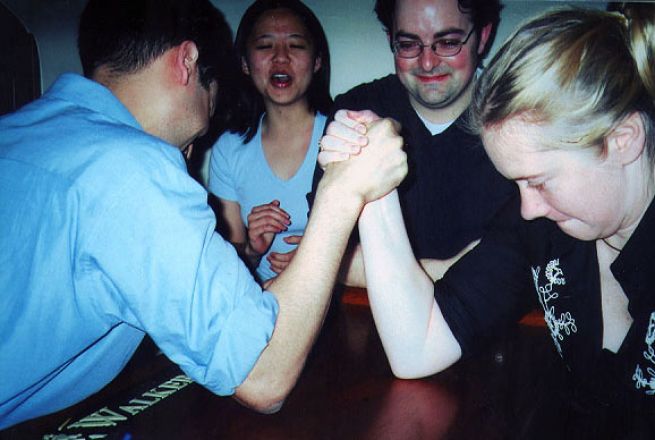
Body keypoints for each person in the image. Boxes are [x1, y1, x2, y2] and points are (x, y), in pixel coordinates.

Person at [0, 0, 408, 429]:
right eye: (211, 93)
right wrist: (342, 191)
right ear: (188, 61)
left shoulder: (15, 128)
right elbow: (263, 375)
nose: (201, 135)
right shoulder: (134, 168)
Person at [323, 3, 655, 436]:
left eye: (538, 181)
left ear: (623, 140)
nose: (526, 208)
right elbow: (416, 348)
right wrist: (373, 187)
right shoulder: (542, 228)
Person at [313, 0, 515, 286]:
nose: (428, 63)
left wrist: (371, 267)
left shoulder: (518, 118)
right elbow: (326, 252)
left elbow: (517, 267)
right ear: (390, 41)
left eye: (447, 42)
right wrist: (444, 269)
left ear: (482, 37)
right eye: (408, 44)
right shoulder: (356, 110)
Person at [208, 0, 331, 284]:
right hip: (257, 300)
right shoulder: (228, 149)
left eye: (296, 45)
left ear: (317, 61)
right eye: (264, 45)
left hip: (332, 302)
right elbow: (230, 259)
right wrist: (252, 250)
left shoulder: (343, 137)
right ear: (244, 63)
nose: (280, 57)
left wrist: (325, 260)